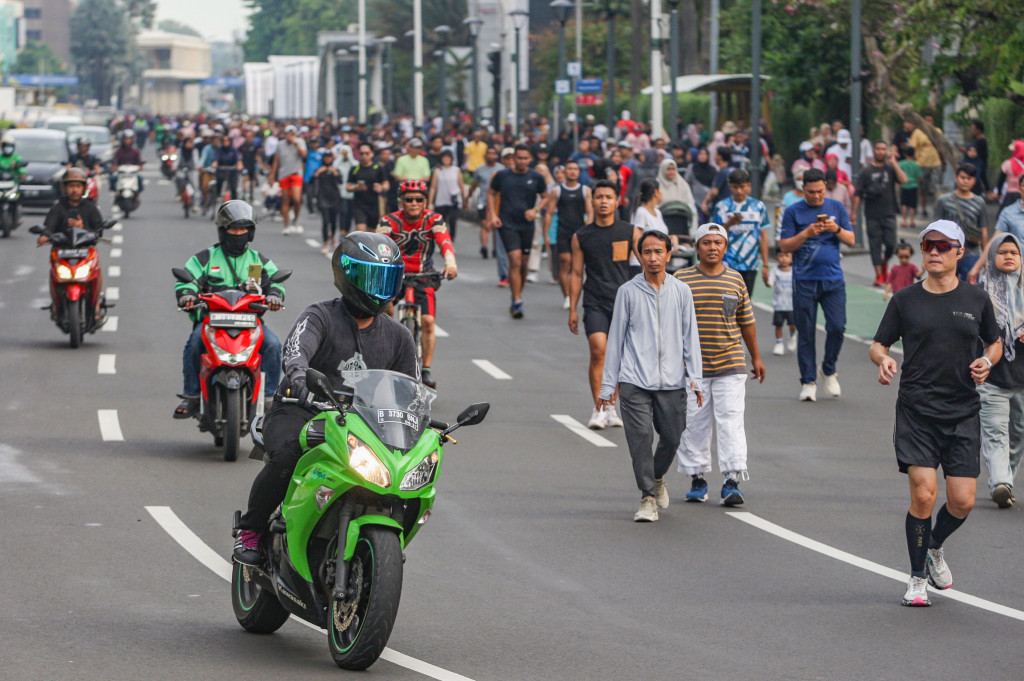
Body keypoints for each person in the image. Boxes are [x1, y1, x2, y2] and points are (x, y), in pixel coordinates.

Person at [233, 232, 418, 566]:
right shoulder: (319, 315)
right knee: (287, 457)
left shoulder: (399, 336)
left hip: (362, 425)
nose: (377, 287)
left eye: (385, 278)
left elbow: (410, 389)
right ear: (346, 275)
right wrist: (300, 377)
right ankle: (252, 528)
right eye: (369, 277)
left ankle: (384, 545)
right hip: (302, 410)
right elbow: (296, 350)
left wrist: (420, 418)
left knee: (402, 474)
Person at [870, 220, 1002, 607]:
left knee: (962, 501)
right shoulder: (905, 300)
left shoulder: (976, 299)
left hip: (962, 410)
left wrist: (986, 361)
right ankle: (915, 581)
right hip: (917, 410)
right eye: (928, 244)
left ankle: (934, 547)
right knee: (924, 494)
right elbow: (879, 344)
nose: (933, 251)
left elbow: (994, 343)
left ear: (960, 253)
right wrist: (883, 360)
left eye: (943, 246)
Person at [600, 230, 703, 522]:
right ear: (639, 256)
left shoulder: (681, 291)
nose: (653, 257)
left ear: (669, 255)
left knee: (672, 436)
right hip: (634, 380)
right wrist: (609, 385)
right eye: (647, 252)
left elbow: (690, 337)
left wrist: (695, 377)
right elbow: (616, 339)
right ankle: (647, 497)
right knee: (641, 438)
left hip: (672, 381)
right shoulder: (628, 292)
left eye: (659, 251)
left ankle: (657, 477)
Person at [675, 223, 765, 506]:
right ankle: (697, 479)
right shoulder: (680, 279)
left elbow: (746, 321)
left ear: (726, 247)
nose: (712, 247)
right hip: (693, 369)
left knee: (731, 422)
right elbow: (670, 323)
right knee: (694, 424)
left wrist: (756, 357)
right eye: (706, 243)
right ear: (696, 247)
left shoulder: (736, 280)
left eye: (718, 243)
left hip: (731, 363)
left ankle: (732, 480)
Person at [172, 201, 286, 419]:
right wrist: (187, 294)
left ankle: (270, 397)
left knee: (272, 344)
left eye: (243, 228)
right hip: (211, 322)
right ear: (223, 230)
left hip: (250, 322)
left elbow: (275, 282)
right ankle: (193, 395)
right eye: (233, 228)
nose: (238, 233)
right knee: (194, 344)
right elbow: (187, 281)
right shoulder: (205, 258)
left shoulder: (257, 261)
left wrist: (274, 296)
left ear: (250, 232)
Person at [779, 168, 856, 402]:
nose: (816, 196)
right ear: (803, 189)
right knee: (806, 332)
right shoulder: (793, 212)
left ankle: (829, 369)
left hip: (833, 279)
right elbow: (784, 245)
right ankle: (808, 381)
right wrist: (806, 233)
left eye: (820, 191)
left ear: (826, 187)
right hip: (804, 280)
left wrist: (837, 229)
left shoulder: (837, 208)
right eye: (811, 192)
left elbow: (851, 240)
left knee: (837, 326)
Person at [376, 180, 457, 389]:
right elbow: (378, 244)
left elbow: (444, 241)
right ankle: (387, 355)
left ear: (425, 201)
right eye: (408, 199)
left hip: (424, 274)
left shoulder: (434, 219)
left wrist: (450, 263)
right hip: (395, 273)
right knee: (386, 312)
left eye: (418, 199)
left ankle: (426, 369)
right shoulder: (389, 220)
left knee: (429, 321)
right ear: (401, 201)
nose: (413, 203)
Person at [568, 180, 633, 430]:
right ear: (592, 201)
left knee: (617, 358)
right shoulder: (582, 236)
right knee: (598, 351)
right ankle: (599, 408)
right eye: (599, 197)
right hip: (595, 301)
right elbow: (576, 273)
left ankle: (611, 406)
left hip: (624, 304)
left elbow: (649, 263)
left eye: (609, 197)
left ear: (617, 202)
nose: (604, 201)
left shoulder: (629, 232)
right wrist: (573, 307)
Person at [976, 233, 1024, 508]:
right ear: (992, 256)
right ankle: (1000, 483)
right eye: (1002, 251)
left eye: (1014, 253)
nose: (1008, 256)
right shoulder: (979, 294)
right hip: (992, 380)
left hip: (1022, 381)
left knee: (1018, 434)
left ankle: (1007, 481)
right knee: (995, 433)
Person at [487, 144, 548, 319]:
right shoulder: (502, 175)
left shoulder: (536, 177)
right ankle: (517, 300)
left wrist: (535, 210)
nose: (522, 161)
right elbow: (491, 194)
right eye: (519, 158)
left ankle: (517, 293)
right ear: (513, 158)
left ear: (530, 159)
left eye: (525, 158)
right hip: (507, 223)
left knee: (523, 265)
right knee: (514, 261)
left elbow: (545, 197)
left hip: (527, 225)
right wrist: (492, 215)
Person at [853, 140, 908, 287]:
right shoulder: (866, 171)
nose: (880, 152)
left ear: (886, 151)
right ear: (873, 151)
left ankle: (884, 263)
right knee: (875, 245)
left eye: (883, 149)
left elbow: (904, 180)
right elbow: (858, 193)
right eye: (877, 149)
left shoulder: (890, 169)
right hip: (872, 214)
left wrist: (894, 163)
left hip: (889, 212)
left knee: (891, 245)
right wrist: (853, 213)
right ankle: (878, 274)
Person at [543, 159, 592, 309]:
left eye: (575, 169)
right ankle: (567, 295)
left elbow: (590, 212)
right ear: (565, 172)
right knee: (565, 262)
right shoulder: (557, 191)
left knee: (578, 267)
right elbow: (549, 213)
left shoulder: (585, 190)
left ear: (579, 172)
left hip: (580, 233)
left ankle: (575, 294)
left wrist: (589, 230)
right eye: (569, 168)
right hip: (562, 231)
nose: (572, 171)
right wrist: (546, 234)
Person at [712, 168, 770, 296]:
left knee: (746, 304)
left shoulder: (758, 206)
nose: (739, 191)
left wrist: (765, 265)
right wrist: (728, 224)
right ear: (729, 187)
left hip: (750, 264)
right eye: (735, 187)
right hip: (727, 264)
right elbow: (714, 236)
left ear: (748, 186)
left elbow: (763, 236)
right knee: (727, 304)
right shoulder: (722, 207)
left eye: (742, 187)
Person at [269, 125, 307, 235]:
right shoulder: (280, 144)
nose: (290, 136)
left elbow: (304, 155)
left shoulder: (300, 142)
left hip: (296, 173)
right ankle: (286, 224)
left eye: (292, 134)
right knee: (285, 200)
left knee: (296, 199)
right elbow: (276, 160)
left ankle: (295, 219)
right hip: (284, 174)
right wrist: (272, 175)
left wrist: (295, 143)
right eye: (288, 134)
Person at [469, 145, 501, 259]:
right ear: (485, 155)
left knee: (495, 225)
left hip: (497, 201)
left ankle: (495, 249)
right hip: (483, 200)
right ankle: (484, 246)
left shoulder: (500, 169)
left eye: (493, 153)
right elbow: (474, 185)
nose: (491, 156)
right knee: (484, 224)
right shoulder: (480, 169)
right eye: (489, 153)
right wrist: (468, 197)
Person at [347, 142, 388, 232]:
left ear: (372, 154)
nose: (364, 156)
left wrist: (381, 187)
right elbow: (348, 187)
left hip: (374, 205)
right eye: (361, 153)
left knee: (372, 233)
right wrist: (356, 187)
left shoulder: (378, 168)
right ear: (358, 154)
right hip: (359, 204)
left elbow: (386, 184)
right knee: (360, 231)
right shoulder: (355, 169)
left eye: (367, 153)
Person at [427, 149, 466, 242]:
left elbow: (461, 185)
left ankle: (451, 240)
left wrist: (465, 199)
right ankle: (441, 240)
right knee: (441, 222)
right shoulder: (437, 171)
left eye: (448, 157)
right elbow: (433, 187)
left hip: (454, 200)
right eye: (445, 157)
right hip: (441, 200)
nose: (446, 159)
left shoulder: (456, 170)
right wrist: (430, 202)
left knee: (453, 220)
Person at [907, 119, 942, 218]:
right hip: (921, 163)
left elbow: (941, 146)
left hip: (936, 162)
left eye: (930, 121)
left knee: (936, 187)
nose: (928, 123)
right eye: (926, 121)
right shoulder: (917, 132)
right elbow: (912, 147)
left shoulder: (937, 131)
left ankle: (937, 208)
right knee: (923, 188)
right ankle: (923, 208)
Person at [767, 249, 797, 356]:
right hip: (779, 305)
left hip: (792, 305)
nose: (783, 258)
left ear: (791, 258)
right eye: (781, 256)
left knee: (793, 325)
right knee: (778, 325)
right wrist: (766, 278)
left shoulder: (794, 271)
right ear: (776, 258)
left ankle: (792, 336)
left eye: (787, 256)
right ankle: (779, 343)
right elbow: (769, 283)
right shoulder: (775, 270)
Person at [314, 150, 343, 253]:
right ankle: (325, 243)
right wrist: (318, 173)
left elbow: (341, 181)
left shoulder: (335, 170)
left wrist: (334, 172)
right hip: (323, 198)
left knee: (334, 222)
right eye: (325, 157)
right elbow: (312, 180)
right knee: (325, 221)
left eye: (329, 157)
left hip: (334, 198)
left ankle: (332, 237)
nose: (327, 159)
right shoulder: (319, 170)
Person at [110, 129, 144, 195]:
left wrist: (141, 167)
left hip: (132, 172)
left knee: (140, 178)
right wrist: (114, 166)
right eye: (126, 139)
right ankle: (115, 193)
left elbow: (139, 161)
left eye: (129, 139)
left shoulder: (135, 152)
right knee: (113, 178)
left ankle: (137, 195)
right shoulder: (119, 151)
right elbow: (116, 161)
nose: (127, 141)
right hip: (121, 172)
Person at [212, 134, 243, 201]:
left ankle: (235, 202)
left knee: (233, 188)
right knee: (219, 182)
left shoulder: (233, 150)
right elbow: (216, 159)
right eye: (224, 141)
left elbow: (238, 159)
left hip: (232, 171)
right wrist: (215, 163)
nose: (225, 142)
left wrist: (239, 165)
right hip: (221, 170)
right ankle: (218, 196)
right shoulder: (219, 149)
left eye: (227, 141)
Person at [898, 146, 921, 228]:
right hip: (914, 185)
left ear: (905, 154)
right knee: (912, 204)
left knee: (904, 203)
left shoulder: (901, 163)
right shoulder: (916, 165)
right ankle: (912, 220)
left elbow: (898, 175)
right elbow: (918, 177)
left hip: (904, 185)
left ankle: (904, 221)